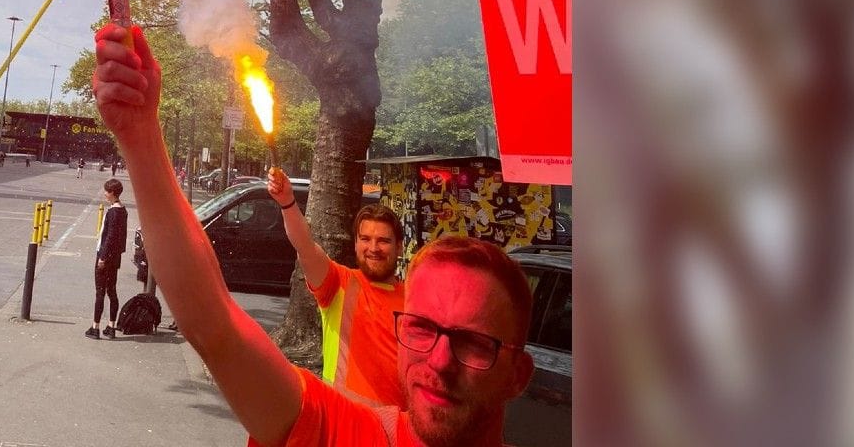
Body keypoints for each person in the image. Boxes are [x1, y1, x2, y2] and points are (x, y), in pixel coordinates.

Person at [92, 25, 534, 447]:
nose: (439, 361)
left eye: (473, 343)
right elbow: (215, 325)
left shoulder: (398, 297)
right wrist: (141, 137)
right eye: (419, 330)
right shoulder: (339, 426)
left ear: (519, 373)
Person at [266, 168, 408, 408]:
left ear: (400, 248)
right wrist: (288, 203)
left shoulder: (415, 300)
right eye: (365, 239)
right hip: (343, 426)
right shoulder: (338, 283)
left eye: (383, 241)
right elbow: (305, 246)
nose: (373, 247)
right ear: (355, 245)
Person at [87, 177, 129, 339]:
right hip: (115, 257)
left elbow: (110, 236)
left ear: (112, 193)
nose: (105, 193)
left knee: (100, 292)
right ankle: (111, 326)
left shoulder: (113, 212)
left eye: (106, 191)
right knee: (112, 291)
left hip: (105, 256)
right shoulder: (123, 210)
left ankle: (95, 327)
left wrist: (102, 257)